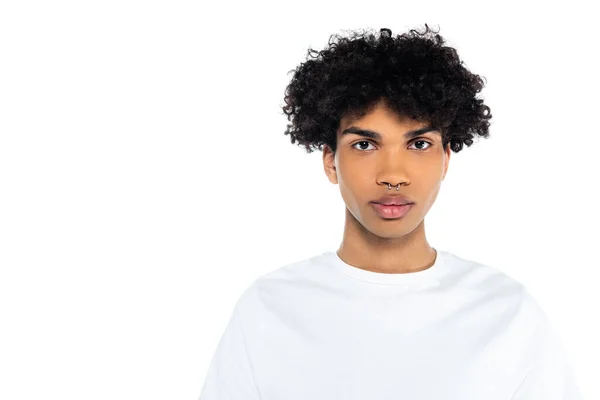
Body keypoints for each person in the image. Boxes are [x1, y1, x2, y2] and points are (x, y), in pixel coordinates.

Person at [198, 24, 583, 399]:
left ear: (446, 159)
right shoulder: (269, 309)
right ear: (331, 161)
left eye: (418, 144)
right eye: (365, 145)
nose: (393, 176)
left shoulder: (506, 312)